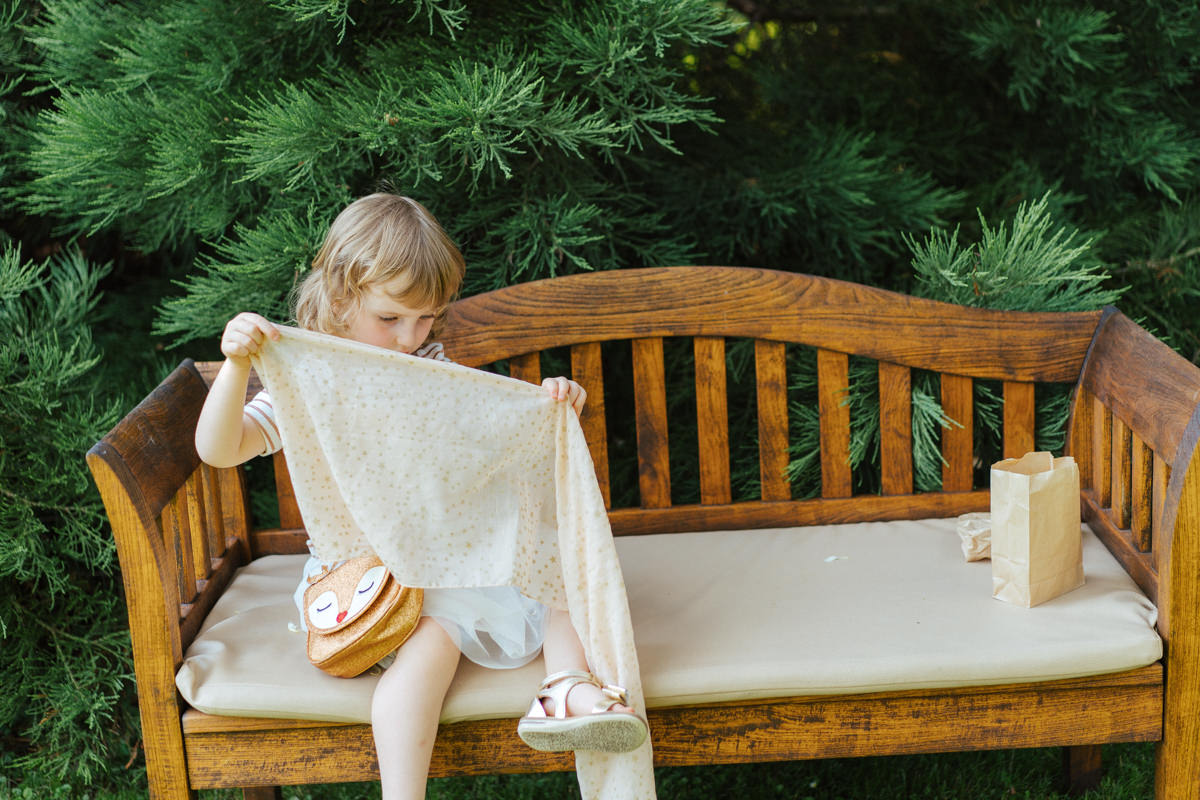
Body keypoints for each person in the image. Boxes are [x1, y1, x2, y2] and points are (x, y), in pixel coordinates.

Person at [194, 193, 648, 800]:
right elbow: (219, 449)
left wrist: (548, 405)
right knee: (433, 642)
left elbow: (480, 430)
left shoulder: (424, 362)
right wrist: (233, 367)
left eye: (427, 318)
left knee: (551, 567)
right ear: (339, 296)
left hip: (440, 554)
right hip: (370, 580)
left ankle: (564, 687)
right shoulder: (309, 381)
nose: (411, 338)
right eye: (391, 319)